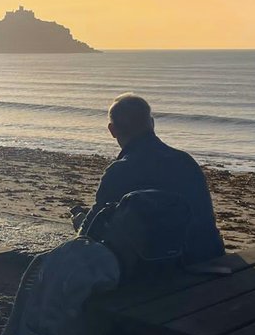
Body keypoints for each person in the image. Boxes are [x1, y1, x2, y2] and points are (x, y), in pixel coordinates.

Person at [71, 92, 224, 263]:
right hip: (209, 256)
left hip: (169, 268)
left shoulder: (120, 170)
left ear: (112, 130)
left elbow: (88, 234)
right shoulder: (185, 160)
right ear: (151, 123)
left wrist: (80, 224)